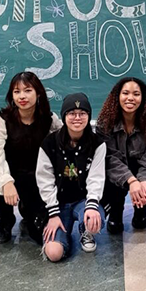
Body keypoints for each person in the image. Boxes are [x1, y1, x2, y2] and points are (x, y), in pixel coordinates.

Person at [0, 72, 62, 244]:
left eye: (27, 90)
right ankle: (6, 219)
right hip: (13, 178)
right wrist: (6, 181)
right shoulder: (3, 120)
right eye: (16, 91)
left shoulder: (50, 120)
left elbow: (65, 141)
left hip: (38, 181)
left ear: (38, 93)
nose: (22, 96)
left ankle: (28, 212)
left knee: (39, 234)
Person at [36, 93, 106, 262]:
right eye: (71, 113)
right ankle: (63, 235)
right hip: (58, 203)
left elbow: (96, 177)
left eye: (82, 113)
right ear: (64, 116)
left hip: (82, 201)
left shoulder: (97, 143)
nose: (77, 118)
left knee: (94, 222)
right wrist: (52, 214)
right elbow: (44, 180)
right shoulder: (49, 143)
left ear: (89, 116)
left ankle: (85, 231)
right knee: (54, 253)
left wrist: (91, 206)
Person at [96, 77, 146, 233]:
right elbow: (109, 158)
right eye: (125, 93)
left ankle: (140, 210)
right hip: (116, 175)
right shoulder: (104, 123)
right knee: (109, 184)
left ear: (143, 98)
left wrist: (143, 182)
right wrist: (131, 181)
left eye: (136, 94)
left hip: (139, 171)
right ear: (117, 96)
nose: (130, 98)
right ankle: (116, 211)